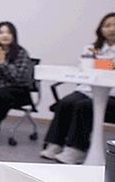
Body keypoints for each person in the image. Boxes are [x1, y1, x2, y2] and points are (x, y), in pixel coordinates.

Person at [41, 12, 115, 164]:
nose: (112, 29)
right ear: (101, 29)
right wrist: (102, 63)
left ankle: (77, 149)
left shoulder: (93, 53)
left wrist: (98, 62)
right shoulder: (90, 48)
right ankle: (55, 144)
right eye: (107, 25)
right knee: (65, 103)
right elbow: (84, 66)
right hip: (87, 89)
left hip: (111, 94)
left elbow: (104, 66)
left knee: (84, 107)